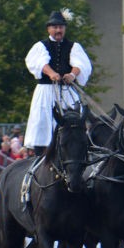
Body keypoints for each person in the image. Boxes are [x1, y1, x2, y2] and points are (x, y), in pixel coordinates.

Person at [24, 10, 92, 156]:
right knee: (42, 121)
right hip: (46, 90)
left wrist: (72, 75)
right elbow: (39, 62)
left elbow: (81, 63)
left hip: (66, 91)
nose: (58, 30)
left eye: (61, 27)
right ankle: (40, 154)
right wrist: (51, 73)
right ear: (49, 29)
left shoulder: (73, 46)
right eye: (55, 27)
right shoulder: (41, 46)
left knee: (73, 121)